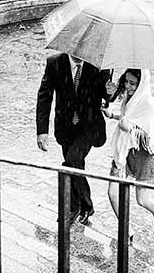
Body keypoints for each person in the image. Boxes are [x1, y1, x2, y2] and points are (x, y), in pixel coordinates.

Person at [36, 52, 112, 225]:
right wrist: (42, 131)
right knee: (77, 165)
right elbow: (45, 96)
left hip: (89, 127)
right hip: (66, 127)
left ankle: (72, 208)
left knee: (71, 162)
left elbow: (106, 97)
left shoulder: (98, 64)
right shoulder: (55, 63)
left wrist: (110, 93)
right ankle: (83, 205)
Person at [102, 69, 154, 238]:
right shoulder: (129, 98)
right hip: (123, 152)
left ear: (141, 84)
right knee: (112, 193)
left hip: (141, 155)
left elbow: (151, 137)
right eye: (126, 82)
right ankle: (126, 228)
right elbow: (126, 117)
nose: (128, 87)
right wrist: (112, 114)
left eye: (133, 83)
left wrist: (128, 128)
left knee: (142, 199)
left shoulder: (149, 104)